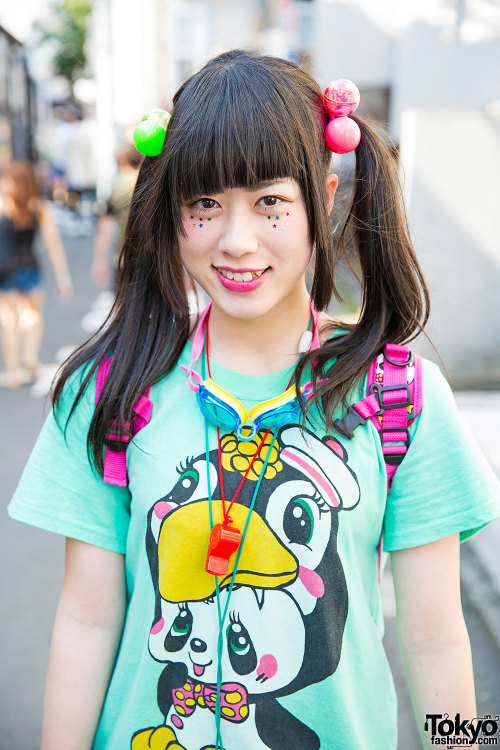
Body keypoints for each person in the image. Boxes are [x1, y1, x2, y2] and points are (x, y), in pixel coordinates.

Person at [7, 50, 500, 750]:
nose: (237, 242)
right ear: (172, 210)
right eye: (204, 204)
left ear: (323, 197)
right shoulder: (111, 393)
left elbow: (438, 640)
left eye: (271, 202)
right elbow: (87, 619)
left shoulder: (401, 398)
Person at [0, 161, 72, 388]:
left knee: (9, 321)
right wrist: (63, 277)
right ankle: (29, 354)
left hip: (4, 273)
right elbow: (53, 246)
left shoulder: (3, 206)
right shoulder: (38, 207)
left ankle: (12, 373)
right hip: (30, 269)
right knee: (32, 315)